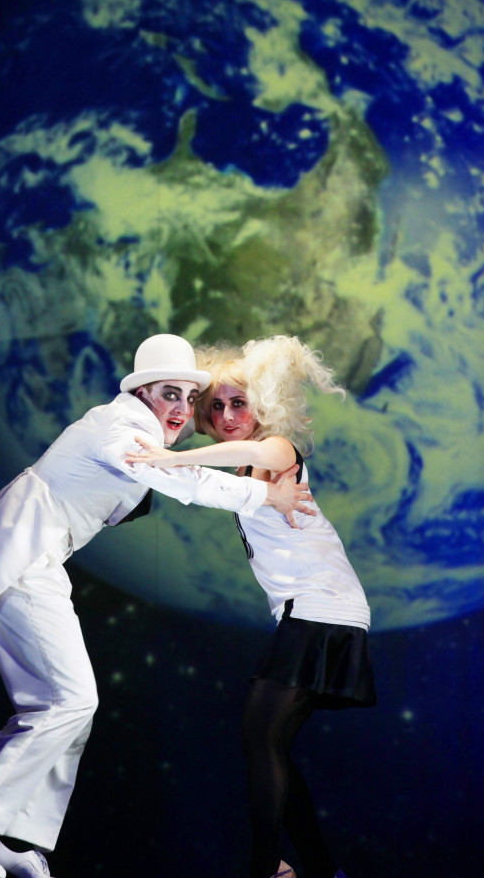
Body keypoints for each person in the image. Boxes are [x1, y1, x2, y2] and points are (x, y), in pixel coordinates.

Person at [0, 333, 313, 878]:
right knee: (69, 701)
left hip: (41, 559)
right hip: (24, 554)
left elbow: (165, 473)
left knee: (68, 705)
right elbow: (181, 479)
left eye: (186, 397)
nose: (179, 409)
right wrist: (263, 494)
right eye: (168, 393)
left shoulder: (136, 427)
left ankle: (9, 832)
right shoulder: (123, 428)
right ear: (142, 391)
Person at [126, 335, 376, 878]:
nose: (227, 415)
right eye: (214, 406)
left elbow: (246, 453)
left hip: (322, 609)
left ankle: (268, 866)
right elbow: (199, 480)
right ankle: (318, 869)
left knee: (260, 736)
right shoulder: (238, 473)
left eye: (239, 402)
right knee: (270, 744)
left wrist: (172, 454)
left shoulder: (278, 449)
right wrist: (160, 449)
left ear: (262, 405)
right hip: (310, 612)